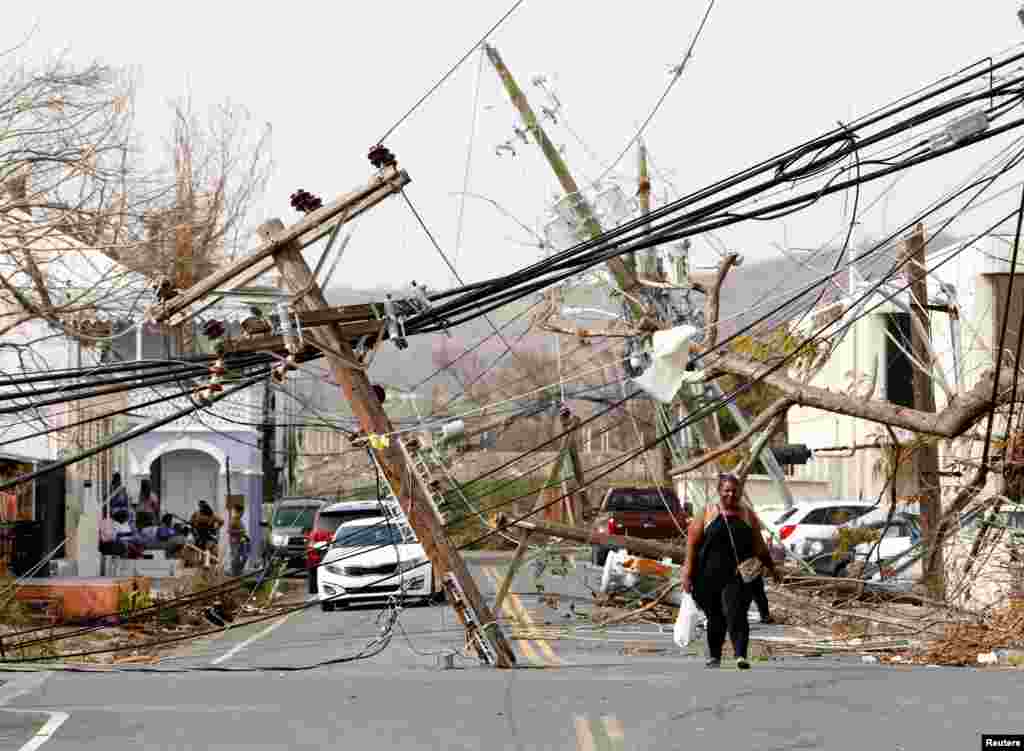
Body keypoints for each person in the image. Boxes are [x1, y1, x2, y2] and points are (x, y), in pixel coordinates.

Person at [682, 473, 781, 670]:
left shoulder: (747, 515)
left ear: (741, 492)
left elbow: (760, 547)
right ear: (719, 492)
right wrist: (687, 575)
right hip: (707, 575)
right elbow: (692, 547)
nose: (731, 494)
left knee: (736, 612)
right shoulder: (706, 513)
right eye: (726, 490)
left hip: (737, 575)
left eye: (735, 491)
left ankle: (740, 655)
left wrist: (772, 568)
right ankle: (715, 656)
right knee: (715, 616)